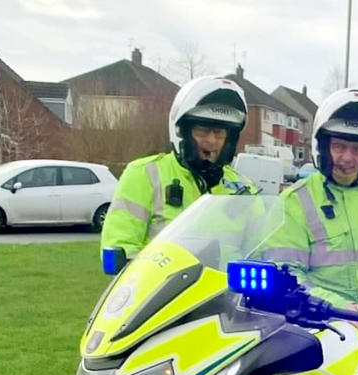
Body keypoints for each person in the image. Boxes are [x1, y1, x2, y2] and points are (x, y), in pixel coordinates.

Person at [259, 88, 358, 306]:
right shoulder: (295, 201)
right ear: (323, 147)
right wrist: (336, 306)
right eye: (339, 146)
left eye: (357, 149)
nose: (347, 158)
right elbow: (284, 274)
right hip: (324, 327)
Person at [101, 75, 256, 257]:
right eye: (202, 130)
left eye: (220, 132)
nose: (211, 140)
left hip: (226, 286)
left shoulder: (244, 189)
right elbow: (121, 244)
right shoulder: (145, 174)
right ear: (182, 131)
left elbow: (262, 249)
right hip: (163, 284)